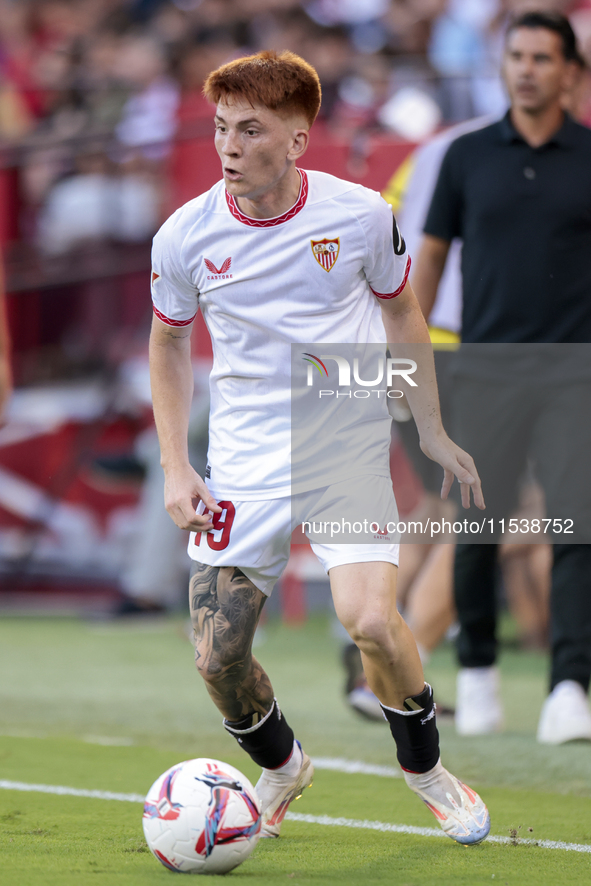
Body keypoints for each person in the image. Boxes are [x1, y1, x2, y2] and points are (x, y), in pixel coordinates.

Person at [148, 49, 491, 845]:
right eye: (221, 128)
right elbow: (166, 345)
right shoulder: (185, 235)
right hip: (243, 461)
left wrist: (429, 426)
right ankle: (281, 766)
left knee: (369, 620)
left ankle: (427, 771)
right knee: (216, 658)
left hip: (343, 441)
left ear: (299, 139)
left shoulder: (361, 215)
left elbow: (402, 313)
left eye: (251, 130)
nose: (228, 147)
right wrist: (176, 464)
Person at [413, 11, 591, 744]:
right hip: (483, 368)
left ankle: (569, 687)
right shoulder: (464, 157)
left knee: (576, 531)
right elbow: (425, 261)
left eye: (541, 58)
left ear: (568, 72)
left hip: (574, 371)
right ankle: (478, 672)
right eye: (514, 55)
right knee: (478, 528)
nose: (525, 68)